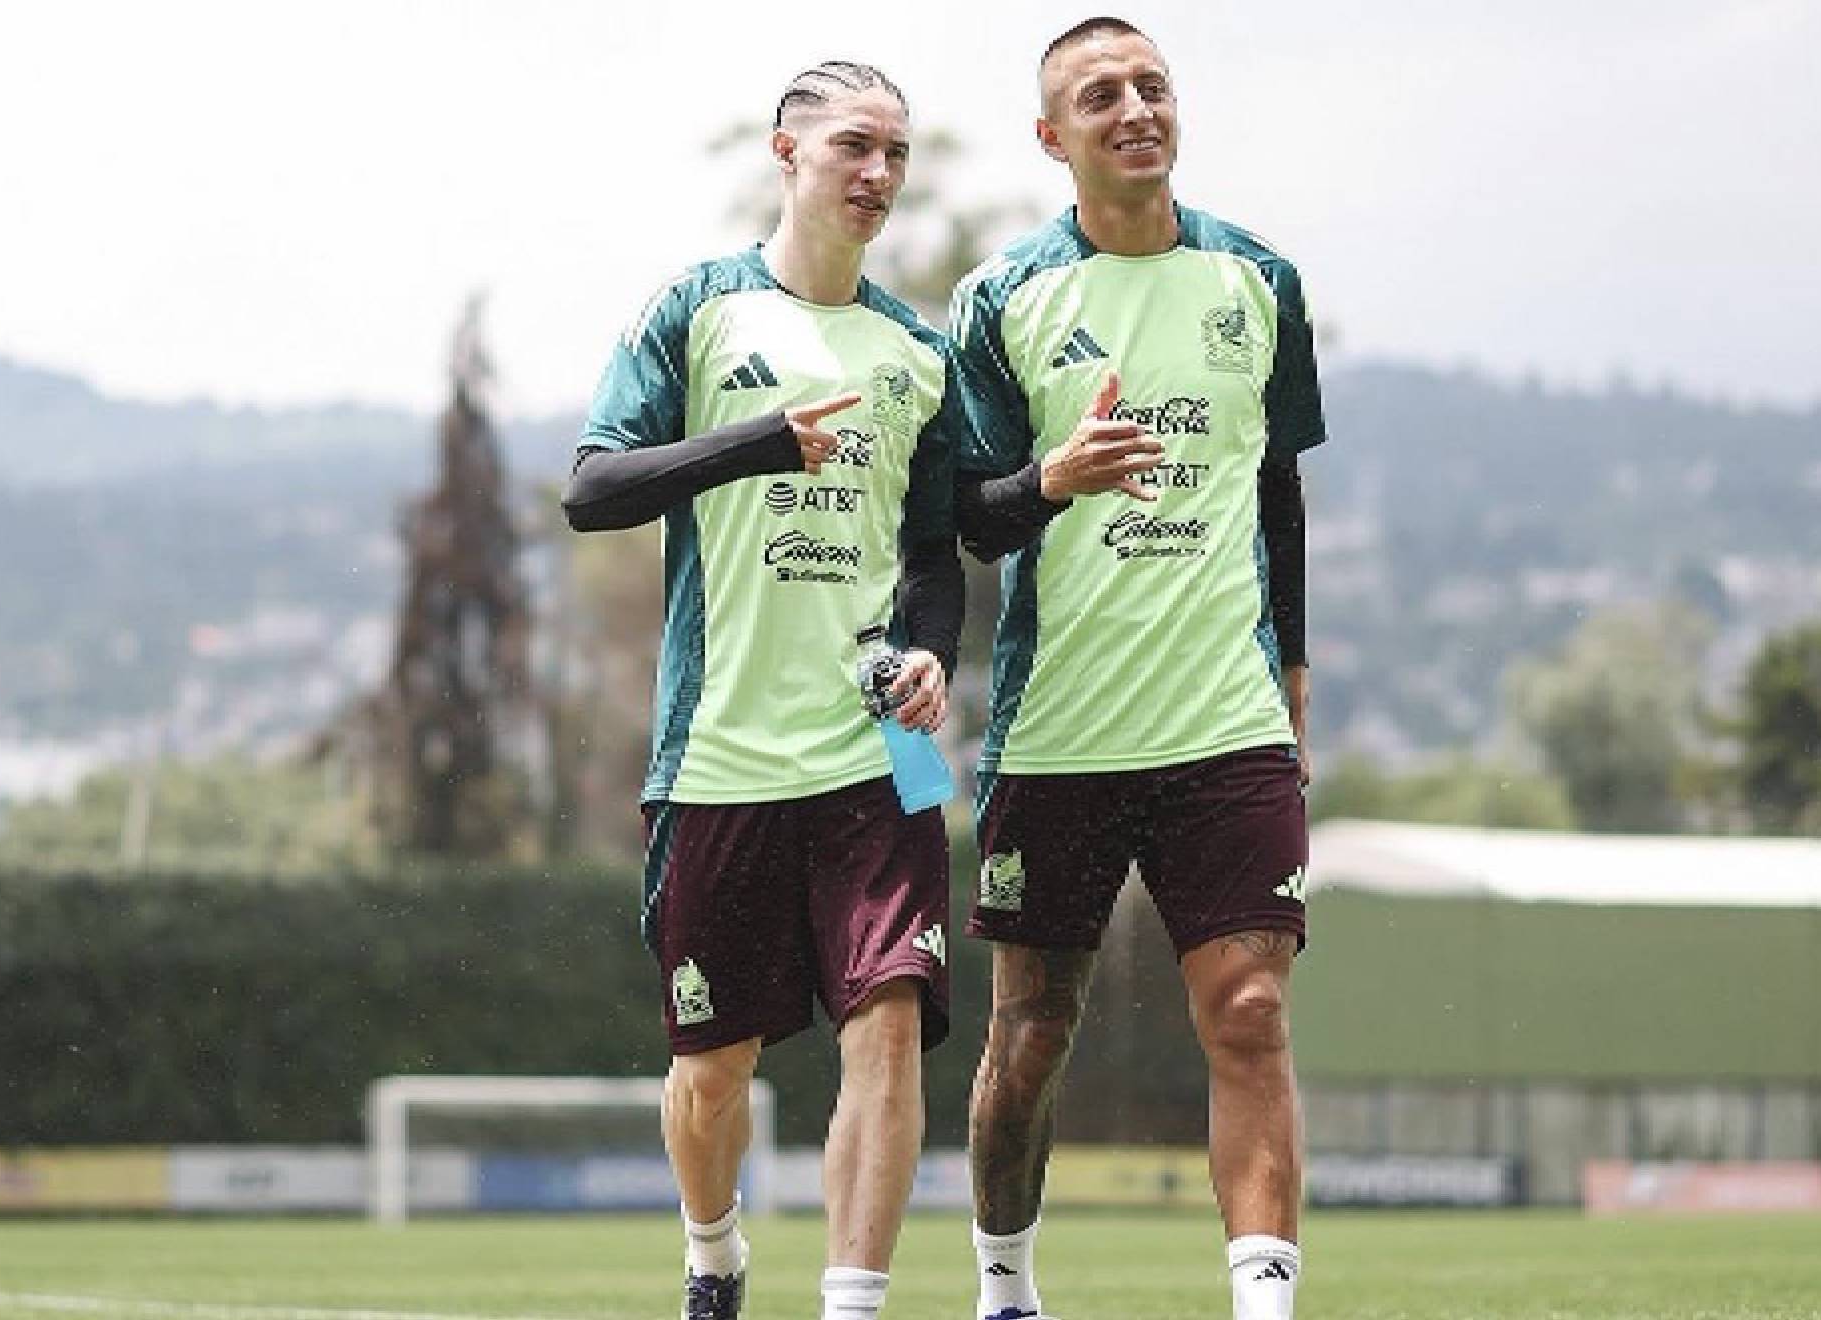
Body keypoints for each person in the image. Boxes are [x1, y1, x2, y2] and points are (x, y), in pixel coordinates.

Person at [561, 60, 964, 1320]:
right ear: (787, 155)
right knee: (713, 1065)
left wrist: (934, 649)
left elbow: (936, 557)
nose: (878, 173)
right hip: (719, 757)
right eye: (854, 145)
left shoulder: (917, 352)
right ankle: (714, 1250)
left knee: (891, 1019)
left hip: (879, 756)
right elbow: (590, 491)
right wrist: (758, 443)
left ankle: (852, 1304)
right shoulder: (698, 311)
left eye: (896, 152)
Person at [947, 17, 1326, 1320]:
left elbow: (1277, 495)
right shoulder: (1003, 301)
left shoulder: (1259, 283)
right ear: (1054, 139)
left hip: (1226, 724)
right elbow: (968, 515)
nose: (1134, 109)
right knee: (1030, 1035)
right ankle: (1005, 1285)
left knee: (1252, 1012)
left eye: (1152, 86)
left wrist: (1295, 677)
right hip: (1060, 734)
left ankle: (1263, 1304)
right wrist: (1052, 478)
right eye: (1100, 95)